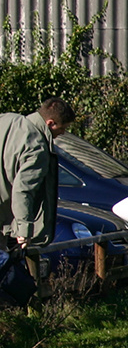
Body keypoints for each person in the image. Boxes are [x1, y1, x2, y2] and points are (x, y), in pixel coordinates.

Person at [0, 98, 74, 251]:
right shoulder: (36, 146)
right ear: (50, 123)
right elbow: (23, 190)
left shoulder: (6, 119)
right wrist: (24, 229)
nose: (63, 133)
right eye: (63, 128)